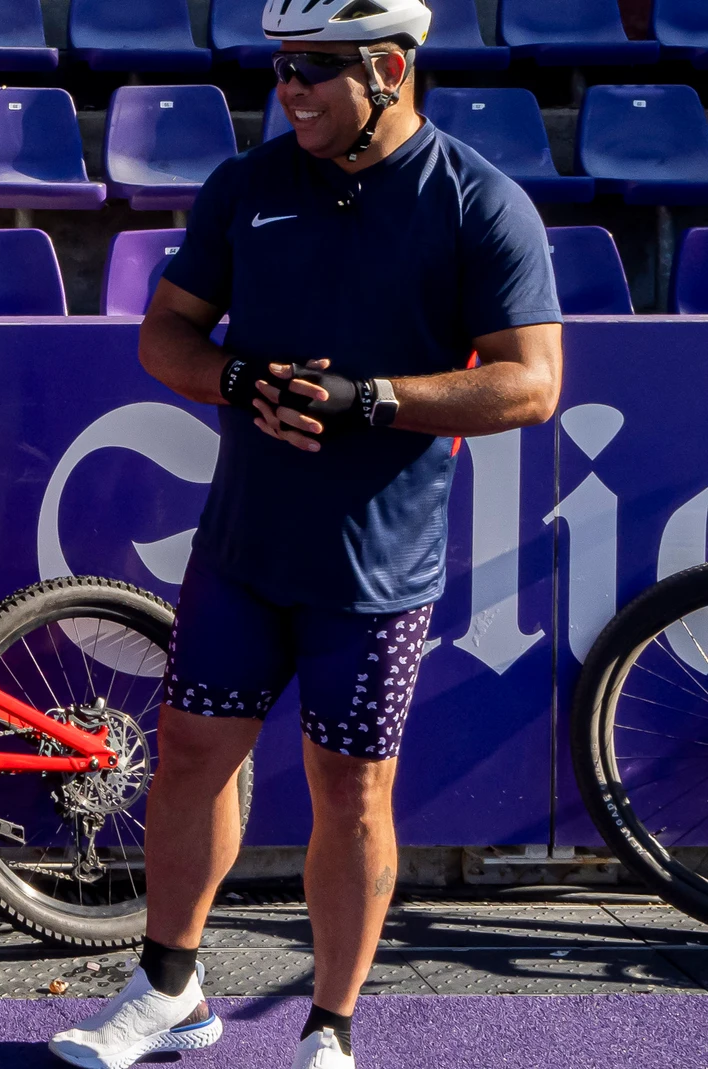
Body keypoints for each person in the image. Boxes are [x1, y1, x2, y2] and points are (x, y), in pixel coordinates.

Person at [48, 1, 564, 1067]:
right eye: (280, 68)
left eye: (314, 72)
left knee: (348, 786)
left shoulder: (478, 201)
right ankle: (169, 991)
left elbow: (530, 382)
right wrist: (234, 377)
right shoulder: (250, 183)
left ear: (386, 67)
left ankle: (329, 1028)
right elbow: (166, 335)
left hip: (374, 568)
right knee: (190, 755)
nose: (288, 91)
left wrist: (368, 399)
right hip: (240, 548)